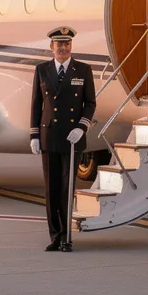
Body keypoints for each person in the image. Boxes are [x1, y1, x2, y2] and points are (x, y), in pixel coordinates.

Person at [29, 26, 97, 252]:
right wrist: (34, 135)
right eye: (59, 44)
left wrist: (82, 127)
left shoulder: (83, 70)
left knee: (68, 190)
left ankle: (67, 238)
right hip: (49, 136)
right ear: (52, 46)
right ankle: (55, 236)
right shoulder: (42, 70)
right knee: (51, 190)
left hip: (72, 138)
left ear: (71, 46)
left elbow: (90, 103)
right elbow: (36, 105)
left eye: (67, 44)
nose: (63, 48)